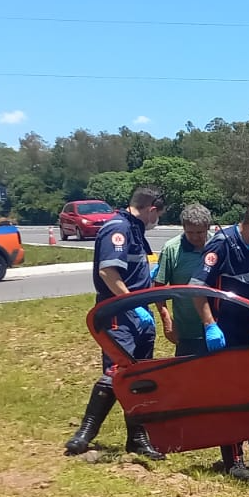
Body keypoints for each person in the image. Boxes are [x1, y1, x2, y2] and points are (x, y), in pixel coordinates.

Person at [64, 185, 168, 460]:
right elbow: (109, 273)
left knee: (140, 377)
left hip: (139, 314)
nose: (158, 220)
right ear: (152, 209)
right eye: (159, 214)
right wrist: (132, 302)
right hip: (118, 314)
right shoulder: (117, 229)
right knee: (117, 373)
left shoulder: (136, 230)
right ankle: (85, 433)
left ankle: (137, 438)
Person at [191, 201, 249, 480]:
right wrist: (210, 325)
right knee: (230, 395)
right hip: (225, 330)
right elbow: (197, 289)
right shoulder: (222, 245)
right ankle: (233, 458)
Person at [151, 202, 213, 357]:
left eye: (199, 232)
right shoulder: (171, 249)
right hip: (187, 331)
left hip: (216, 326)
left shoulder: (217, 245)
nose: (194, 237)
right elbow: (158, 288)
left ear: (208, 227)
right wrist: (166, 320)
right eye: (189, 232)